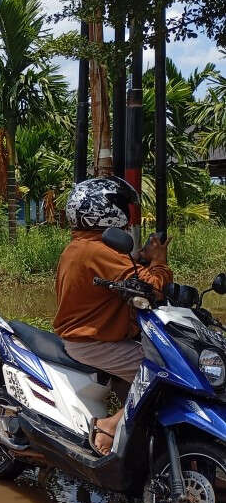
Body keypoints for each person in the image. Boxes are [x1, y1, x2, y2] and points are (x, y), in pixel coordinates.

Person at [53, 176, 173, 455]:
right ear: (104, 209)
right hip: (94, 343)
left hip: (94, 341)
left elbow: (125, 275)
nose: (129, 217)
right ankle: (109, 425)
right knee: (163, 371)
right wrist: (160, 262)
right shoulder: (96, 249)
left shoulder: (84, 245)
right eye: (123, 206)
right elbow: (153, 288)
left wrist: (142, 258)